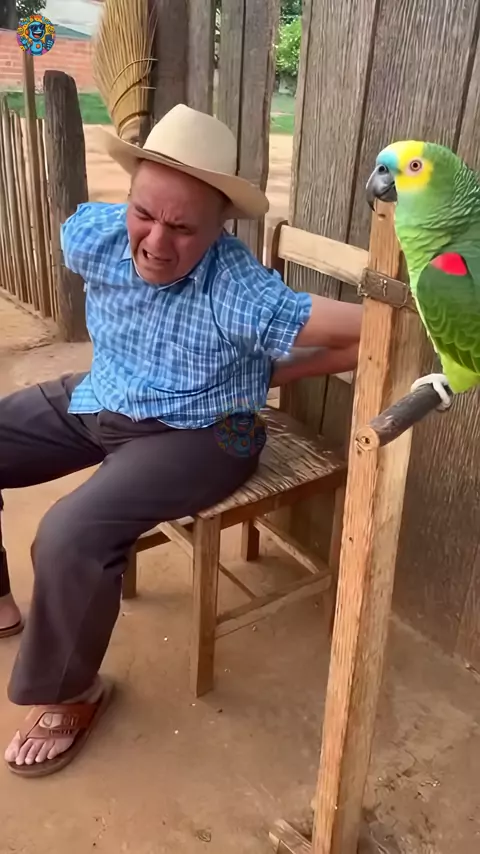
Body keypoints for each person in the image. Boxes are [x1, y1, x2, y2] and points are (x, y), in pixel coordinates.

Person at [0, 104, 362, 777]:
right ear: (129, 196)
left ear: (220, 227)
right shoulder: (95, 235)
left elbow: (365, 327)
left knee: (70, 533)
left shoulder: (238, 284)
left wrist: (428, 311)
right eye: (144, 214)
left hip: (206, 432)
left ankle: (73, 692)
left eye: (184, 227)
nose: (156, 243)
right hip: (107, 393)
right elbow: (107, 233)